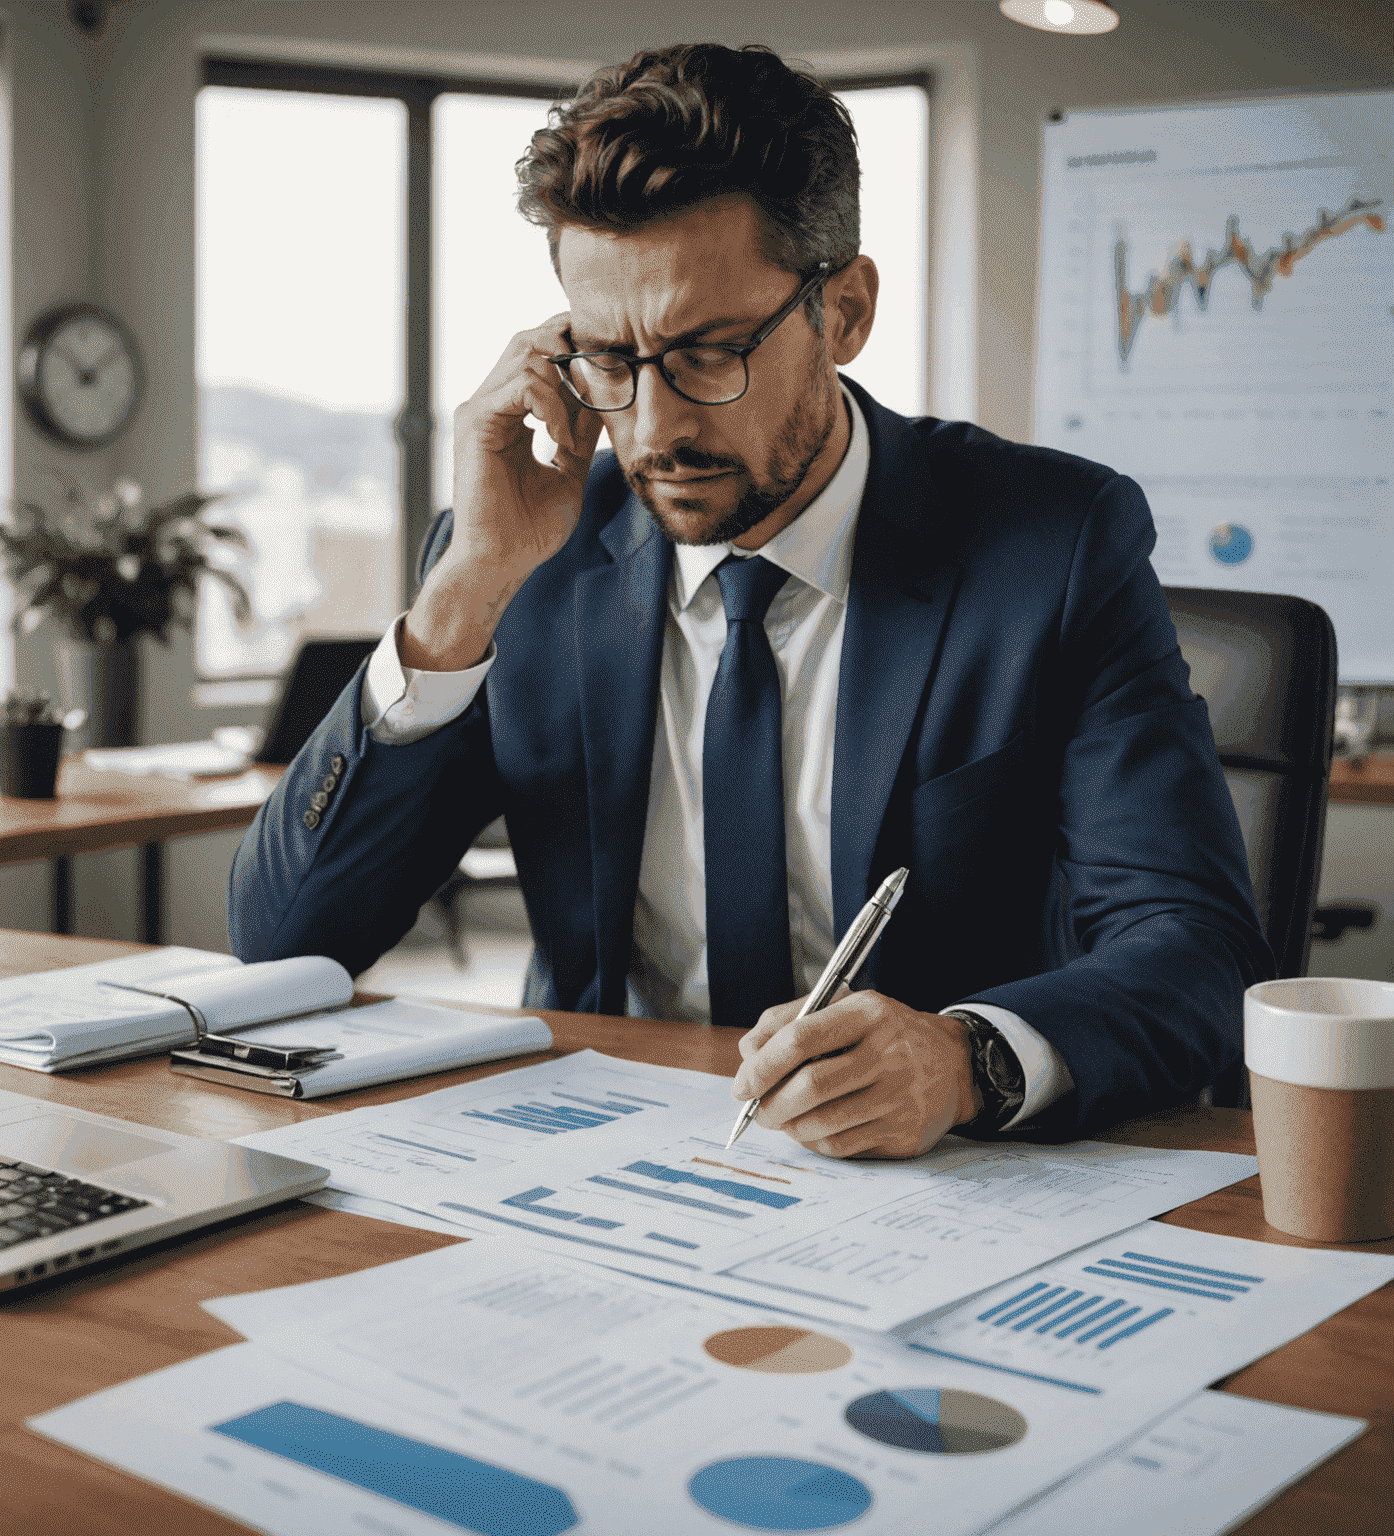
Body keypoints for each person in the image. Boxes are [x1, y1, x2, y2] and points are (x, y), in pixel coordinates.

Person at [229, 42, 1271, 1158]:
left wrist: (965, 1060)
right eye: (609, 360)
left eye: (710, 352)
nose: (653, 427)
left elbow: (1194, 948)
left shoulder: (1050, 545)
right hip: (597, 1161)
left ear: (848, 311)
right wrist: (463, 594)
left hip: (944, 1176)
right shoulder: (523, 558)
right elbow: (287, 940)